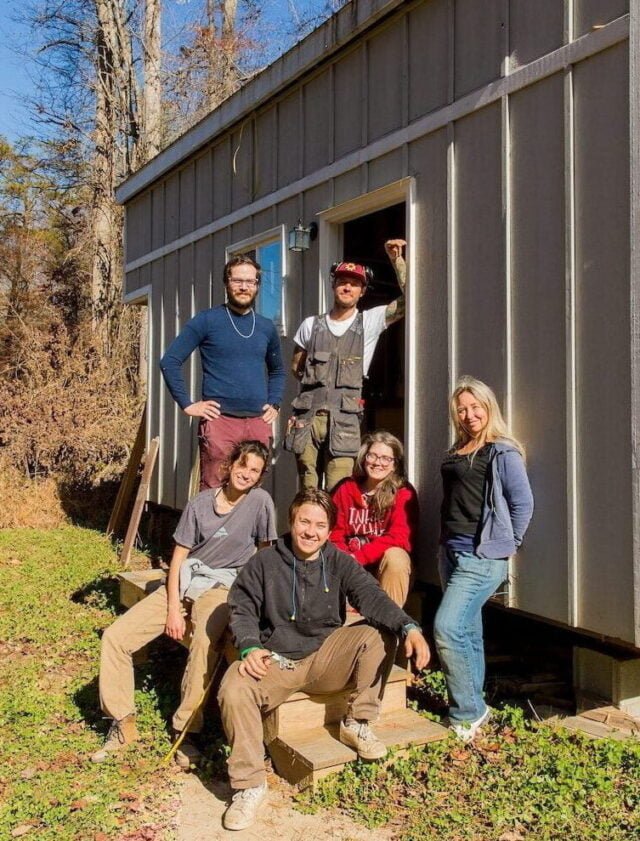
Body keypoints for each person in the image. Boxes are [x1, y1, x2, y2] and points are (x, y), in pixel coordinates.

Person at [217, 487, 430, 832]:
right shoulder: (265, 561)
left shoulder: (338, 561)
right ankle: (249, 785)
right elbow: (241, 607)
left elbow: (372, 597)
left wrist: (410, 627)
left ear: (330, 530)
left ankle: (357, 722)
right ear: (291, 521)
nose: (310, 531)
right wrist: (250, 645)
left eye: (319, 525)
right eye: (304, 521)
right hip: (277, 662)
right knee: (234, 686)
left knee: (379, 633)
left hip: (326, 658)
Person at [91, 440, 277, 768]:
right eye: (243, 465)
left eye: (254, 471)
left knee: (205, 641)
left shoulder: (260, 502)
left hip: (223, 587)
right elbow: (177, 560)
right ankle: (122, 723)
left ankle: (186, 731)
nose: (246, 474)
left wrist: (258, 600)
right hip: (187, 580)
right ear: (230, 464)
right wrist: (174, 608)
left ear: (260, 477)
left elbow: (265, 555)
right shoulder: (200, 504)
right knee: (116, 638)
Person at [433, 376, 534, 742]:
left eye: (476, 407)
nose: (469, 414)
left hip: (481, 555)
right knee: (468, 631)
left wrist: (508, 544)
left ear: (488, 408)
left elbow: (522, 503)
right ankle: (476, 706)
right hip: (452, 551)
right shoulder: (458, 449)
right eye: (462, 408)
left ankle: (465, 713)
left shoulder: (501, 451)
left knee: (446, 628)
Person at [286, 239, 407, 491]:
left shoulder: (371, 321)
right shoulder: (310, 324)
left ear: (362, 291)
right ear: (334, 285)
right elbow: (297, 367)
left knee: (339, 490)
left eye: (354, 283)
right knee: (307, 489)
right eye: (342, 281)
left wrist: (397, 260)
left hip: (344, 424)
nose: (347, 287)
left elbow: (410, 298)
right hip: (307, 422)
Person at [159, 254, 286, 490]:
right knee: (214, 487)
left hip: (257, 422)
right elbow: (170, 361)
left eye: (250, 281)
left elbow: (278, 370)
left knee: (252, 488)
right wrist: (187, 404)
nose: (244, 286)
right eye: (238, 280)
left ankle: (245, 529)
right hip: (220, 422)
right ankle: (212, 529)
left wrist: (275, 403)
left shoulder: (266, 327)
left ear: (257, 286)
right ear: (227, 282)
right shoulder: (207, 321)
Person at [330, 431, 418, 607]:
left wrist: (360, 557)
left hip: (382, 568)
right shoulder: (346, 489)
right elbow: (333, 533)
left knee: (397, 557)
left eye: (386, 458)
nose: (378, 463)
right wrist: (348, 560)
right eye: (373, 456)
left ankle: (389, 623)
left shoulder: (403, 493)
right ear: (364, 458)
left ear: (395, 465)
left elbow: (399, 538)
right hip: (349, 565)